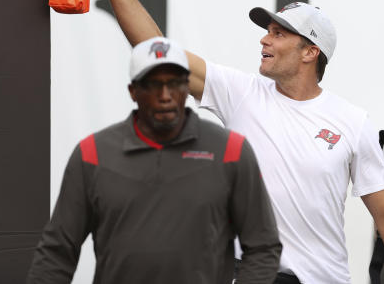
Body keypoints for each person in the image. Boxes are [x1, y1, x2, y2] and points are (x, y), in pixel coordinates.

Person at [89, 0, 384, 284]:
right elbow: (158, 52)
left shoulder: (353, 122)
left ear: (310, 52)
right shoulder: (241, 92)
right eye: (267, 31)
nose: (264, 39)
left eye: (279, 34)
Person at [27, 37, 282, 284]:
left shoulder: (230, 151)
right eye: (152, 84)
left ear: (186, 87)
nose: (165, 95)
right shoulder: (93, 154)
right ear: (133, 91)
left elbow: (262, 246)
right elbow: (57, 252)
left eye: (175, 83)